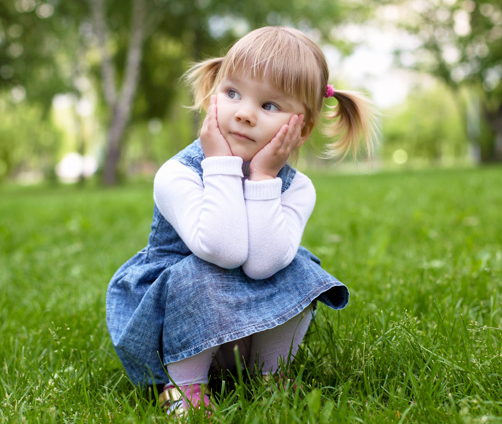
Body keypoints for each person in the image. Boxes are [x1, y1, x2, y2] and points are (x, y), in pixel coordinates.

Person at [106, 26, 376, 416]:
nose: (244, 114)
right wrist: (220, 164)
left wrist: (264, 179)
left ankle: (270, 373)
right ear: (214, 93)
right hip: (172, 327)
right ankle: (185, 387)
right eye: (232, 93)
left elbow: (264, 262)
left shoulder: (298, 188)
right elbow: (222, 250)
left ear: (302, 129)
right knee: (200, 270)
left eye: (269, 106)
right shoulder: (176, 174)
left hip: (244, 333)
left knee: (297, 265)